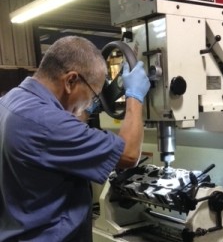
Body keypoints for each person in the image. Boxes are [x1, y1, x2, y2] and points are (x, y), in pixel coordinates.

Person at [0, 36, 150, 241]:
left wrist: (86, 107)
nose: (90, 103)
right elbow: (129, 154)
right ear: (71, 80)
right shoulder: (46, 123)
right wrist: (135, 97)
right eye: (92, 95)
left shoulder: (11, 101)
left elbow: (59, 128)